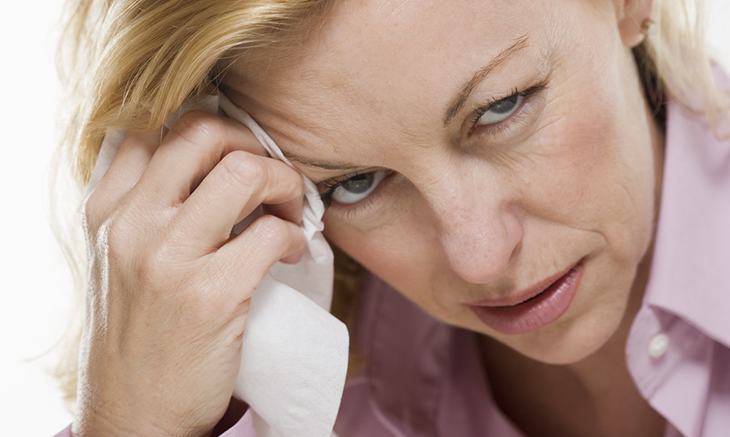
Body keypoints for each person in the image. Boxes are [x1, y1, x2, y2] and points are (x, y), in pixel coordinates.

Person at [50, 0, 730, 436]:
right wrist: (127, 422)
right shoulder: (295, 400)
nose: (479, 256)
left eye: (504, 105)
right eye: (356, 183)